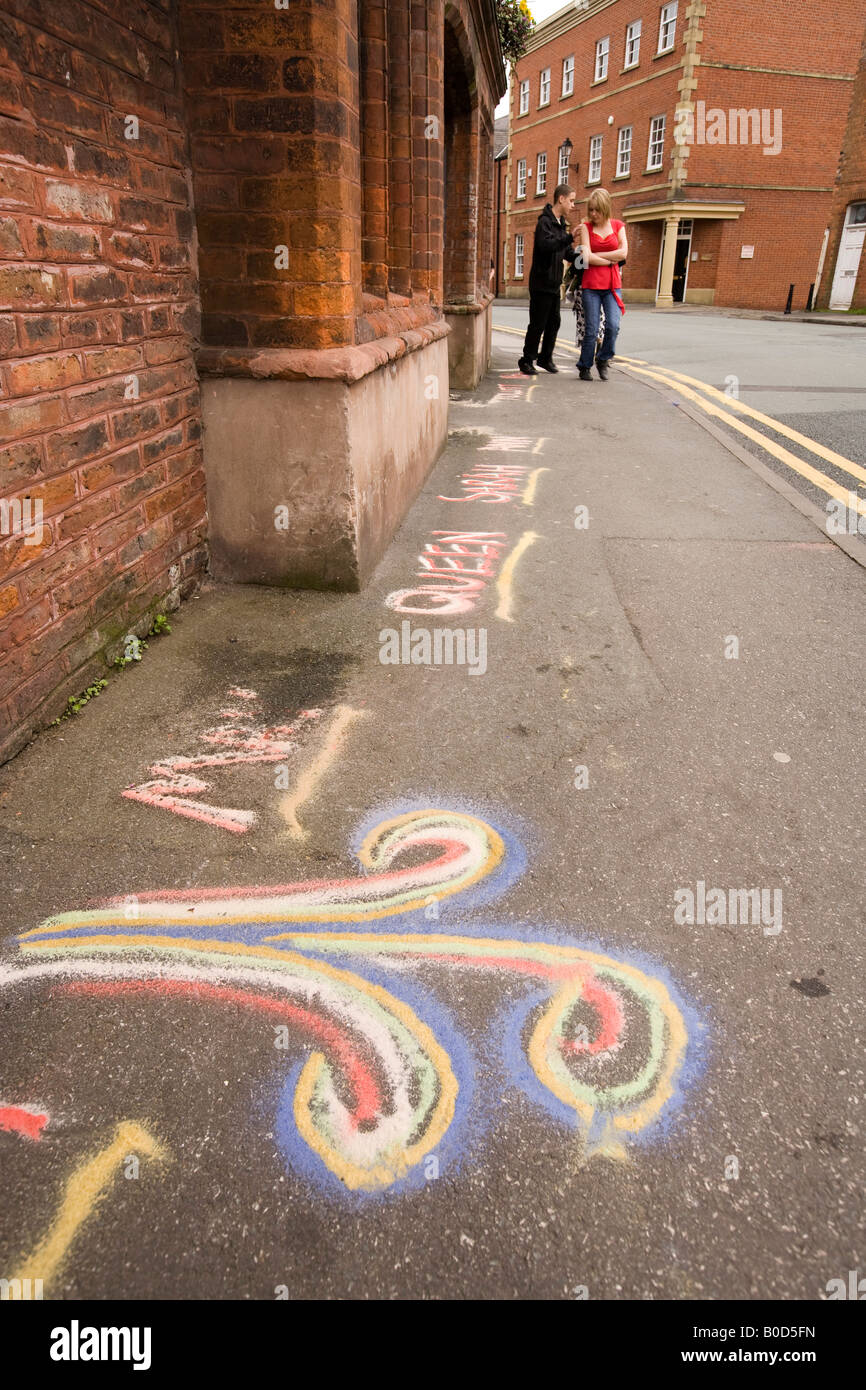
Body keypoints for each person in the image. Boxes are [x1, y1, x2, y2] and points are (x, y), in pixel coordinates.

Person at [518, 185, 580, 375]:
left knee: (554, 322)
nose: (573, 205)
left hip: (553, 284)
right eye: (571, 200)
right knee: (538, 323)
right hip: (541, 282)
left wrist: (582, 258)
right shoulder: (544, 222)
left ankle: (545, 358)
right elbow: (546, 245)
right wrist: (569, 237)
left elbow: (566, 253)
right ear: (561, 199)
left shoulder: (560, 224)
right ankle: (527, 360)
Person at [577, 188, 627, 382]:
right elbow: (586, 257)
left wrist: (598, 257)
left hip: (613, 285)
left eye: (597, 210)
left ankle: (603, 359)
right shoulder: (585, 228)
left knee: (613, 326)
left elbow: (623, 254)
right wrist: (610, 260)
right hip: (591, 284)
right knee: (591, 329)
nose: (593, 214)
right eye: (591, 210)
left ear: (605, 208)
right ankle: (584, 366)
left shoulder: (617, 225)